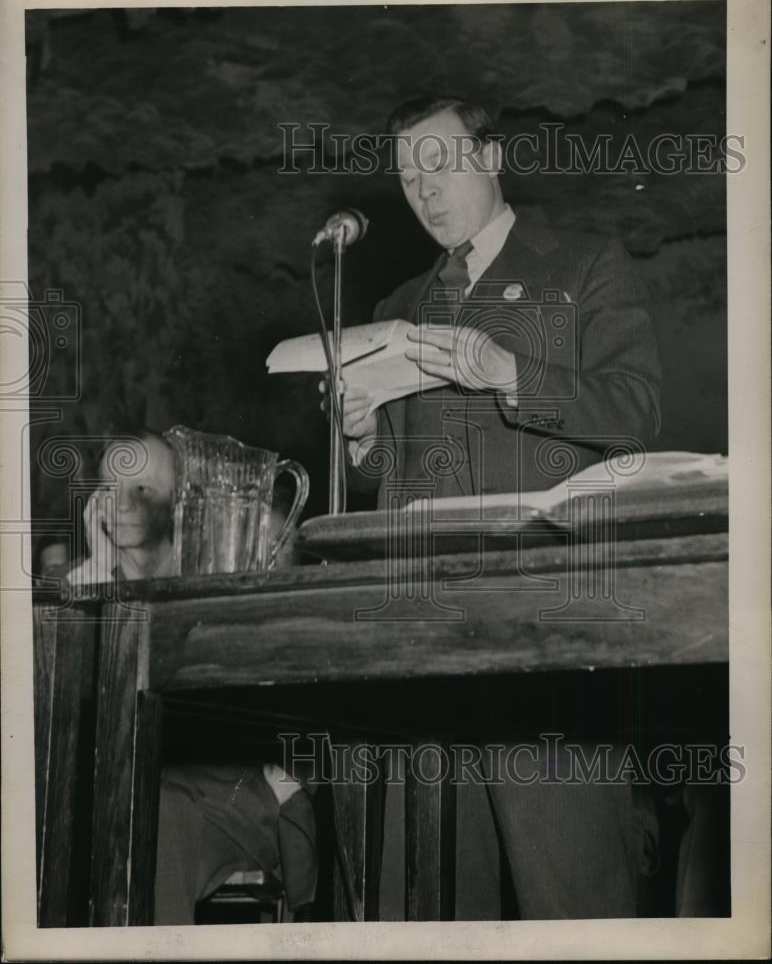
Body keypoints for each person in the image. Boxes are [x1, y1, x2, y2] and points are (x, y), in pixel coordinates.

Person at [320, 94, 663, 919]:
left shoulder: (584, 264)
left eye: (439, 164)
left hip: (548, 624)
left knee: (574, 891)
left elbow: (636, 409)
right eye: (408, 178)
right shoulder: (392, 309)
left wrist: (515, 375)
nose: (423, 191)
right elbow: (381, 478)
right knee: (425, 895)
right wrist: (362, 439)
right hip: (420, 632)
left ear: (492, 156)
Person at [62, 429, 317, 924]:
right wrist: (98, 573)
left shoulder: (213, 573)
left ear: (179, 502)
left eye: (144, 489)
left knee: (155, 812)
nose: (124, 503)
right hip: (138, 793)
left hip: (240, 793)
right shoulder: (82, 586)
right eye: (111, 488)